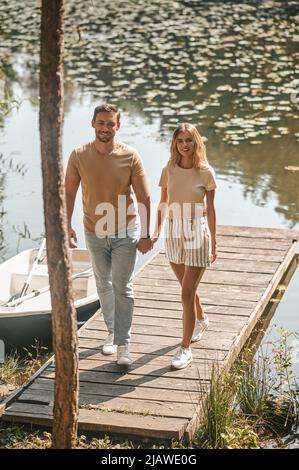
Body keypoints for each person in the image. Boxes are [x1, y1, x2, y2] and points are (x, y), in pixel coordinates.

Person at [65, 103, 152, 366]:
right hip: (94, 230)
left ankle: (124, 343)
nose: (105, 128)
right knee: (103, 283)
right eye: (101, 123)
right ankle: (112, 333)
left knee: (122, 286)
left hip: (126, 230)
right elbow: (69, 192)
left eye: (110, 124)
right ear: (93, 124)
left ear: (118, 126)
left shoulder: (130, 156)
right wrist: (65, 225)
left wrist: (147, 233)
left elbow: (144, 197)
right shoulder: (79, 155)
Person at [152, 123, 217, 370]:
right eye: (180, 141)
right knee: (186, 287)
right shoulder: (168, 170)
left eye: (189, 140)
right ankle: (201, 318)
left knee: (186, 292)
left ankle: (185, 348)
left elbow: (211, 209)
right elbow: (163, 202)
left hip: (197, 232)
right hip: (174, 231)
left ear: (196, 142)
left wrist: (215, 240)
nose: (185, 145)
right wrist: (156, 231)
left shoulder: (206, 172)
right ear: (175, 144)